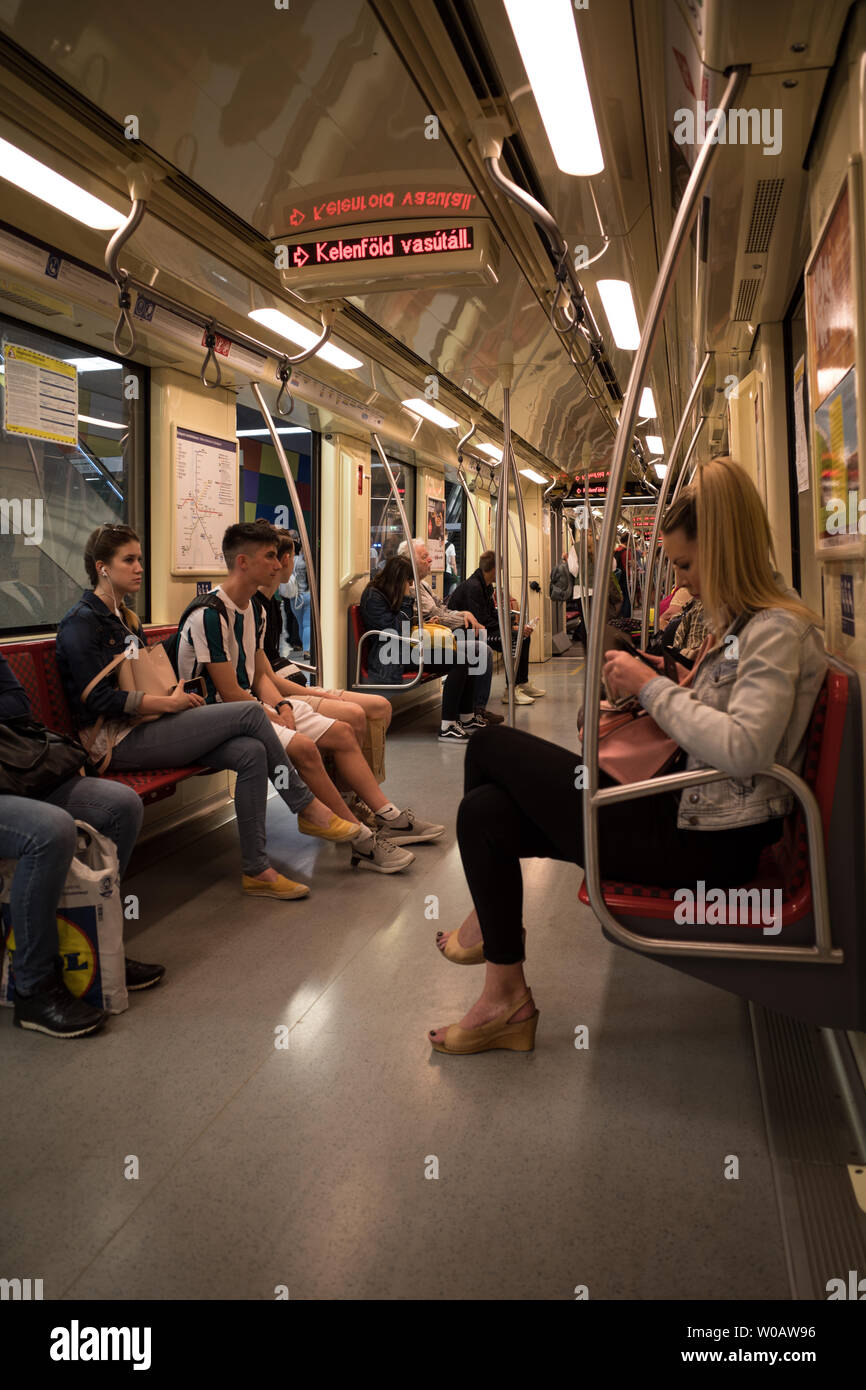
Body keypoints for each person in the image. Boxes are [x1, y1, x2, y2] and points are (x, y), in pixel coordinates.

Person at [429, 457, 827, 1055]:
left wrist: (649, 686)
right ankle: (505, 997)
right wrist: (661, 680)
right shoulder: (749, 624)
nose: (685, 582)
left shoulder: (776, 630)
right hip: (687, 812)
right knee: (483, 813)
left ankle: (490, 934)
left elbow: (744, 750)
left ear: (725, 549)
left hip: (705, 844)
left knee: (487, 744)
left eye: (689, 565)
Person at [56, 523, 341, 902]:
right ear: (102, 567)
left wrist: (169, 696)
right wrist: (168, 703)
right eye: (129, 560)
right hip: (114, 741)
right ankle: (305, 807)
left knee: (251, 752)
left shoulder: (129, 619)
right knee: (251, 715)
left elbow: (142, 679)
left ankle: (257, 870)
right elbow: (98, 701)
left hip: (150, 724)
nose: (139, 567)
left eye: (140, 558)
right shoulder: (81, 623)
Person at [177, 522, 441, 869]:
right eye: (270, 556)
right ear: (243, 562)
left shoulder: (253, 611)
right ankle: (359, 836)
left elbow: (259, 677)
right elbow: (227, 692)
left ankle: (388, 814)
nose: (279, 564)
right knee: (303, 746)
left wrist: (282, 704)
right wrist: (271, 711)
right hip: (217, 714)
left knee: (344, 733)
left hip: (252, 704)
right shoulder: (209, 615)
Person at [0, 651, 156, 1039]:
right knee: (49, 830)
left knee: (121, 805)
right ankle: (33, 987)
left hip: (14, 772)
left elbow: (17, 704)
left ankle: (100, 952)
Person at [447, 550, 542, 718]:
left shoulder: (486, 586)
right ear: (494, 569)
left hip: (480, 629)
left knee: (522, 637)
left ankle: (521, 682)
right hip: (466, 633)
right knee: (514, 637)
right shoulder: (474, 587)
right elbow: (483, 620)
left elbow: (491, 615)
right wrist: (511, 628)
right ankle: (510, 689)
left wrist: (513, 624)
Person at [290, 528, 311, 655]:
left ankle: (303, 644)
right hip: (308, 595)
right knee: (307, 624)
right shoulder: (308, 562)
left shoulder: (292, 561)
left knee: (300, 623)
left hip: (295, 597)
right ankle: (307, 650)